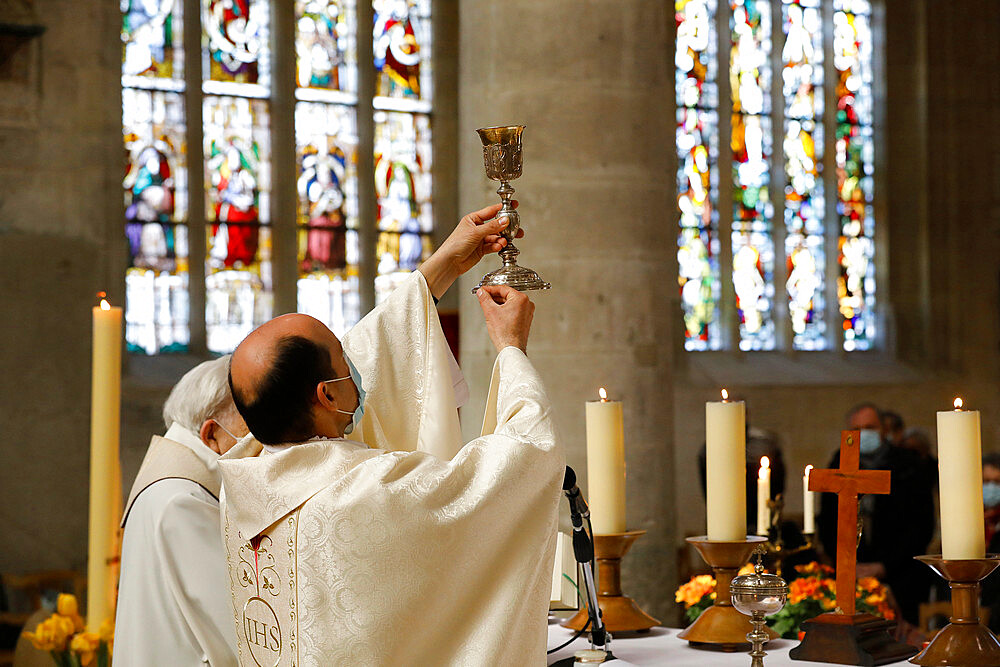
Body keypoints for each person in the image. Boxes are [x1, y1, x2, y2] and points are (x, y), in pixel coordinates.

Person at [219, 204, 564, 665]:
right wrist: (511, 349)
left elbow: (370, 346)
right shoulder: (369, 493)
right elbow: (526, 459)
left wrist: (440, 269)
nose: (357, 367)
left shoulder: (242, 481)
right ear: (327, 396)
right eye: (344, 358)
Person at [114, 356, 249, 667]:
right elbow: (238, 629)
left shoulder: (172, 486)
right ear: (211, 434)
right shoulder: (183, 500)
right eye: (250, 429)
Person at [817, 403, 936, 625]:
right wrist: (846, 564)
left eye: (870, 427)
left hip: (901, 574)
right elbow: (827, 521)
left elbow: (921, 525)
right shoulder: (838, 462)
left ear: (883, 429)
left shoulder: (908, 465)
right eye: (856, 429)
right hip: (850, 574)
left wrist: (884, 566)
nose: (863, 434)